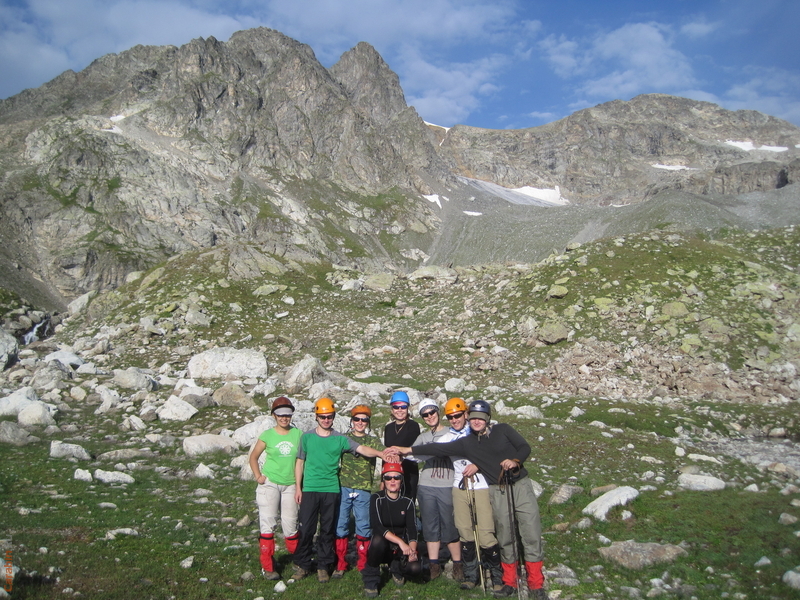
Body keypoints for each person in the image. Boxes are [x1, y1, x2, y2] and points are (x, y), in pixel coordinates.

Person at [390, 400, 549, 600]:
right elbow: (438, 449)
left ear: (487, 418)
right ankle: (509, 581)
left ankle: (536, 584)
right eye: (473, 418)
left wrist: (515, 461)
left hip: (519, 484)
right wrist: (406, 450)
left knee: (530, 533)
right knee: (505, 535)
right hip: (497, 488)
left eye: (479, 418)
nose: (476, 421)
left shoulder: (503, 429)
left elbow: (524, 447)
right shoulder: (467, 442)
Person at [292, 397, 387, 583]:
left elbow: (362, 449)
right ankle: (303, 565)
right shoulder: (307, 437)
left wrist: (381, 454)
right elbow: (300, 462)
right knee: (306, 529)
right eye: (323, 417)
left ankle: (323, 566)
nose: (326, 420)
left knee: (327, 529)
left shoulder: (341, 439)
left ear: (334, 417)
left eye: (329, 416)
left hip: (331, 489)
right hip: (310, 488)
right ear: (316, 417)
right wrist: (298, 487)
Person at [442, 397, 503, 591]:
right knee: (464, 531)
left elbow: (495, 452)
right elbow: (430, 449)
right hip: (459, 486)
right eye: (450, 417)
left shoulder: (480, 432)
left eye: (458, 415)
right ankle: (471, 575)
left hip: (481, 486)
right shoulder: (447, 437)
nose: (455, 420)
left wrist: (478, 464)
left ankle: (496, 577)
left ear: (466, 415)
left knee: (485, 533)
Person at [408, 398, 462, 581]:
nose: (429, 416)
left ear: (438, 412)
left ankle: (457, 564)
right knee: (430, 526)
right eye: (425, 415)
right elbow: (411, 454)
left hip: (447, 485)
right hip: (426, 485)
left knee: (450, 525)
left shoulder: (451, 432)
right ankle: (434, 565)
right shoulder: (423, 437)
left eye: (432, 412)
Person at [248, 396, 302, 580]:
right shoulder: (267, 435)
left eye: (288, 414)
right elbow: (253, 456)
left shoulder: (298, 434)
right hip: (270, 484)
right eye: (280, 414)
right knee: (268, 524)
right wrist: (258, 476)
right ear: (274, 415)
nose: (284, 418)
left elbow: (302, 460)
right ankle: (268, 566)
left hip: (291, 485)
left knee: (291, 526)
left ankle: (298, 561)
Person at [334, 404, 384, 578]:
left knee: (363, 524)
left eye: (364, 419)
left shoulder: (373, 441)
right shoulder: (343, 438)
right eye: (357, 419)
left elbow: (385, 455)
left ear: (368, 422)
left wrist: (384, 478)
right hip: (344, 486)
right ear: (352, 420)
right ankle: (341, 563)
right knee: (341, 523)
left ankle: (363, 562)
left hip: (364, 488)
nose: (360, 422)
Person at [362, 462, 422, 598]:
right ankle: (371, 578)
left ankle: (396, 567)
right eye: (388, 478)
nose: (392, 481)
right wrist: (401, 542)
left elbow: (412, 529)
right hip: (383, 543)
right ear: (384, 480)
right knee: (377, 540)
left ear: (402, 480)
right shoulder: (377, 498)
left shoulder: (408, 501)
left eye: (397, 477)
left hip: (401, 546)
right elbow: (377, 526)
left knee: (415, 568)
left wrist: (412, 550)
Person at [382, 391, 420, 501]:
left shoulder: (413, 426)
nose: (399, 410)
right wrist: (382, 479)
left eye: (403, 407)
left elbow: (411, 446)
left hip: (409, 471)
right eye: (396, 407)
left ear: (408, 408)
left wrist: (398, 453)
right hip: (390, 472)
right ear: (392, 409)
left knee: (407, 502)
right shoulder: (389, 428)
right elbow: (386, 452)